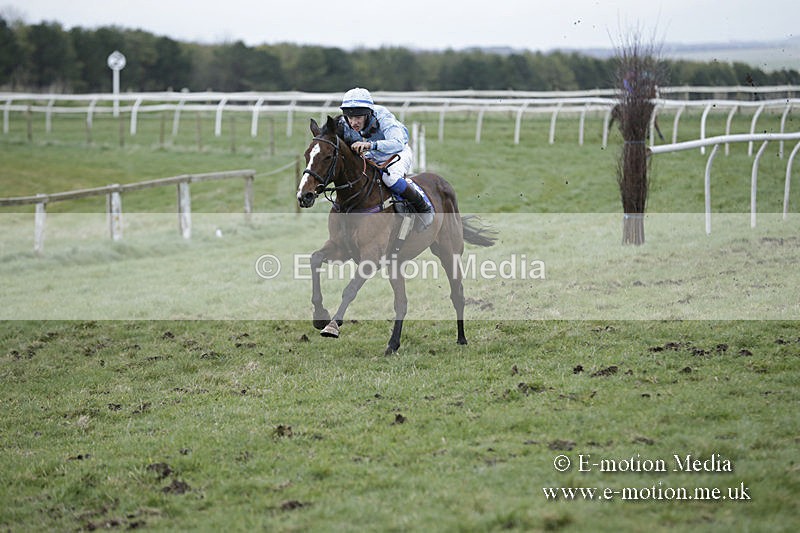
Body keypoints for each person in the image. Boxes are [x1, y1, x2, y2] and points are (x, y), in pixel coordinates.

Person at [338, 87, 433, 228]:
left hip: (398, 152)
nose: (353, 123)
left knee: (390, 178)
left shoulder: (383, 116)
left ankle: (423, 208)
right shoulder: (346, 122)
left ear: (367, 114)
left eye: (358, 117)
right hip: (373, 154)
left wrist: (371, 145)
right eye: (350, 117)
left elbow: (398, 142)